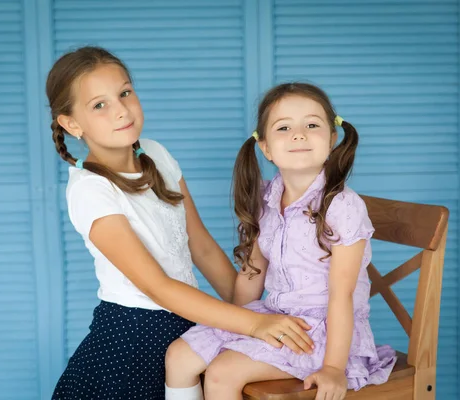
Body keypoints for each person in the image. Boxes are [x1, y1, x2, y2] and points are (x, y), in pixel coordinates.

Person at [46, 47, 314, 400]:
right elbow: (158, 287)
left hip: (183, 321)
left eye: (125, 93)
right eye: (99, 105)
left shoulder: (156, 154)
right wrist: (254, 323)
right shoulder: (90, 190)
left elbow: (199, 244)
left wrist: (246, 313)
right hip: (132, 338)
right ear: (71, 124)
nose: (121, 110)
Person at [165, 83, 397, 400]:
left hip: (323, 333)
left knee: (222, 373)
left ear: (332, 139)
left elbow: (342, 296)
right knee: (178, 356)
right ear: (266, 148)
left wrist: (332, 367)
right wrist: (236, 323)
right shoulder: (267, 197)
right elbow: (254, 271)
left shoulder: (342, 207)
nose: (298, 134)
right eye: (284, 127)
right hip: (275, 317)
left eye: (312, 125)